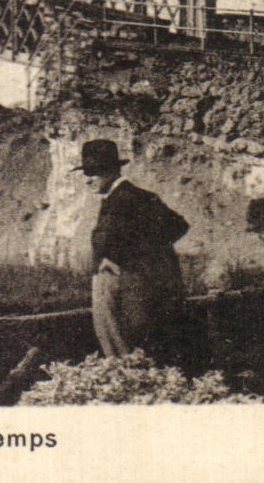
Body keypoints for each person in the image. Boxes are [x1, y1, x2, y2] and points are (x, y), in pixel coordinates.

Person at [77, 138, 191, 362]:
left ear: (111, 171)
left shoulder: (127, 198)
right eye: (86, 173)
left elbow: (176, 226)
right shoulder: (133, 197)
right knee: (135, 351)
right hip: (138, 287)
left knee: (128, 350)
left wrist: (127, 261)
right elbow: (176, 227)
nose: (88, 180)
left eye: (94, 173)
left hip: (130, 289)